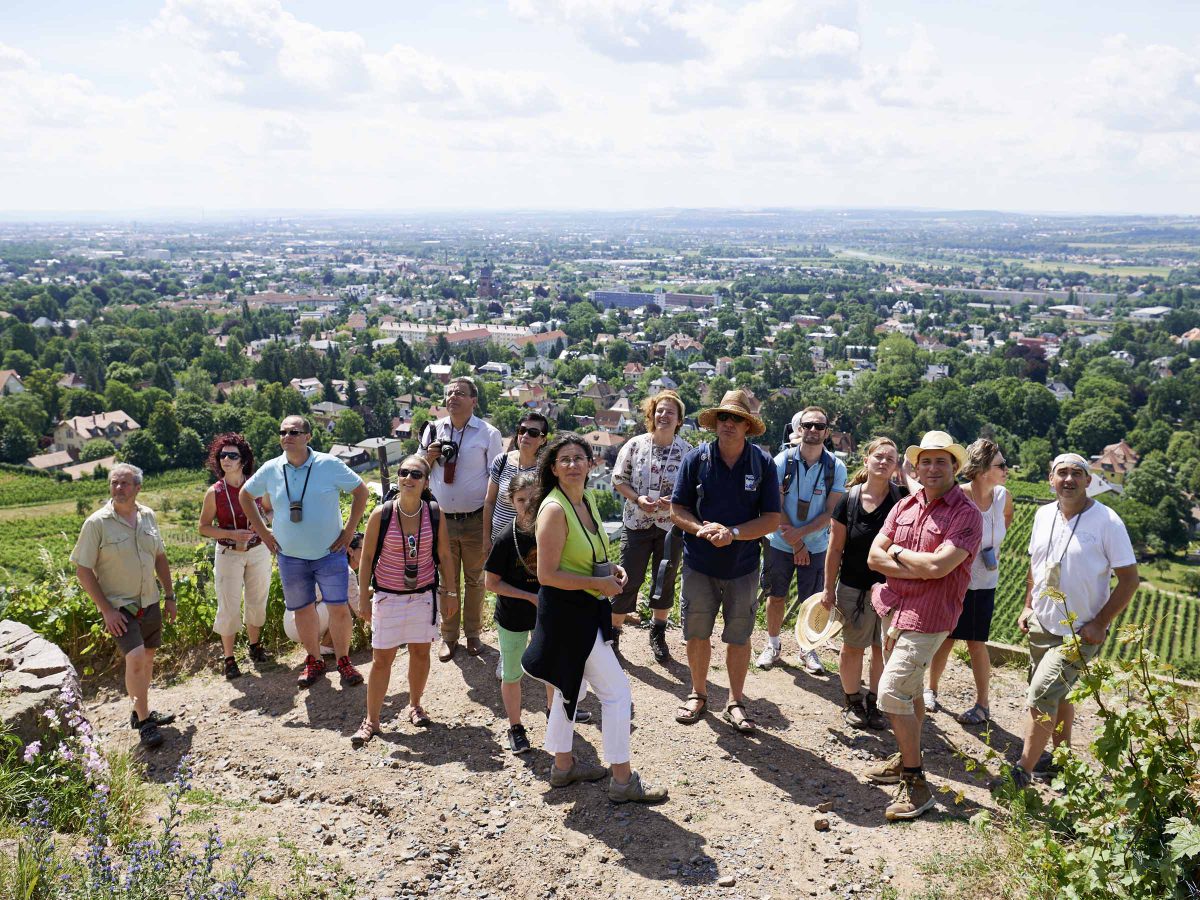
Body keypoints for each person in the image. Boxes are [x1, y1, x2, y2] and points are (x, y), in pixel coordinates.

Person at [522, 434, 668, 803]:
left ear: (591, 464)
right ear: (553, 469)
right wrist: (597, 583)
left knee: (570, 689)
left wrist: (611, 570)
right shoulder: (555, 509)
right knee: (617, 694)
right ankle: (622, 779)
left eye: (579, 458)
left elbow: (588, 553)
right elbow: (547, 575)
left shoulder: (584, 499)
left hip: (584, 611)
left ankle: (563, 765)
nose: (573, 464)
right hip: (570, 616)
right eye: (565, 459)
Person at [864, 430, 982, 821]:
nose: (932, 468)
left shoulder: (965, 514)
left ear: (954, 466)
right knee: (911, 690)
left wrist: (898, 555)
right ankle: (905, 757)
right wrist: (914, 562)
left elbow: (939, 568)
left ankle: (916, 783)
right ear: (916, 466)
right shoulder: (906, 506)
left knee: (891, 692)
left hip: (929, 615)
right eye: (926, 461)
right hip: (893, 608)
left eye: (941, 461)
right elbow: (873, 558)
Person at [1006, 453, 1138, 788]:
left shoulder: (1108, 522)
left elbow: (1129, 580)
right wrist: (1026, 606)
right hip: (1042, 622)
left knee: (1041, 694)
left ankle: (1022, 770)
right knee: (1060, 695)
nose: (1068, 479)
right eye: (1061, 473)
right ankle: (1060, 761)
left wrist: (1100, 623)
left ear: (1088, 481)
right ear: (1050, 479)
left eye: (1076, 473)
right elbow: (1036, 565)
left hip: (1081, 631)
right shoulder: (1042, 515)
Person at [670, 390, 781, 735]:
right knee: (696, 633)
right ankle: (698, 694)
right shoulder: (695, 460)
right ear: (715, 423)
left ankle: (735, 700)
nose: (728, 424)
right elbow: (677, 510)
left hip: (743, 567)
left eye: (736, 419)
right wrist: (702, 530)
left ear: (748, 426)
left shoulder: (762, 464)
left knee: (739, 636)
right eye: (723, 418)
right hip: (699, 563)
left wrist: (732, 532)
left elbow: (772, 519)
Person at [240, 415, 370, 689]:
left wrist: (349, 532)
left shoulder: (328, 464)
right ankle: (313, 660)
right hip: (290, 556)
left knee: (338, 608)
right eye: (283, 431)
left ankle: (343, 660)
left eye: (294, 431)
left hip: (329, 553)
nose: (287, 436)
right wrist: (263, 533)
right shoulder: (271, 468)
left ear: (308, 437)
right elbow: (245, 495)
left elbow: (361, 492)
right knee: (302, 611)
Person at [71, 464, 177, 748]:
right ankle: (145, 723)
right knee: (137, 658)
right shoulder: (97, 523)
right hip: (120, 609)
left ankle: (138, 710)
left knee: (148, 660)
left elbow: (160, 558)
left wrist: (169, 596)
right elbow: (83, 570)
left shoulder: (148, 516)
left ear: (138, 487)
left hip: (151, 602)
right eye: (114, 483)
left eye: (125, 483)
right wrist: (106, 610)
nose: (118, 488)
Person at [353, 456, 453, 745]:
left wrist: (450, 592)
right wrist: (363, 598)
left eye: (416, 474)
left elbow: (445, 556)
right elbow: (367, 559)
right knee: (381, 660)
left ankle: (415, 705)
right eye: (403, 472)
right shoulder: (381, 514)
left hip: (423, 596)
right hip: (388, 596)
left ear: (425, 482)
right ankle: (372, 720)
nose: (408, 478)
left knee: (421, 654)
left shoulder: (435, 513)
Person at [926, 439, 1013, 724]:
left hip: (985, 582)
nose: (1006, 469)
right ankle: (931, 690)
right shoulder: (959, 496)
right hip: (955, 581)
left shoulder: (1003, 497)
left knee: (976, 642)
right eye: (1001, 465)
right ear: (983, 469)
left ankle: (982, 705)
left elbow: (1005, 522)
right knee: (946, 640)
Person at [821, 437, 905, 729]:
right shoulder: (849, 499)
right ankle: (853, 700)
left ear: (897, 467)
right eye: (878, 456)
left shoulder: (903, 499)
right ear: (866, 460)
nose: (883, 462)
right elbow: (835, 549)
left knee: (883, 650)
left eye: (890, 459)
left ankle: (876, 702)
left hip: (893, 592)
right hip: (852, 588)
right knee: (852, 648)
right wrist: (828, 589)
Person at [419, 376, 504, 661]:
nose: (453, 396)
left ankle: (474, 634)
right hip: (441, 519)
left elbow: (497, 476)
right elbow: (417, 470)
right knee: (447, 580)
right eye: (450, 392)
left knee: (475, 580)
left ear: (473, 400)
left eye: (460, 393)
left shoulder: (488, 433)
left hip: (476, 519)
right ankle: (449, 636)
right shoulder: (432, 429)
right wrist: (429, 458)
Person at [758, 407, 846, 675]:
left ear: (827, 432)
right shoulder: (781, 461)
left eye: (819, 426)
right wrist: (797, 543)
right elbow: (775, 506)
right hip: (781, 541)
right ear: (799, 429)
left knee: (814, 600)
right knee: (776, 595)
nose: (813, 431)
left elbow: (830, 511)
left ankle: (808, 648)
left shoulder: (836, 467)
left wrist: (803, 538)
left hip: (817, 545)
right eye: (808, 425)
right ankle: (773, 645)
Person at [611, 390, 691, 662]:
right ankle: (613, 633)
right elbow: (618, 479)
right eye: (659, 410)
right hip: (637, 522)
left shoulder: (687, 452)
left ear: (679, 419)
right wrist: (636, 498)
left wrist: (676, 501)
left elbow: (693, 491)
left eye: (670, 412)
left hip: (670, 526)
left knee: (665, 577)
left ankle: (657, 633)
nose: (664, 415)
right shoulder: (635, 445)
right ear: (651, 414)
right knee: (626, 577)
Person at [484, 472, 561, 754]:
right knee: (512, 673)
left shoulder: (552, 528)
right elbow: (490, 583)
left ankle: (555, 716)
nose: (528, 504)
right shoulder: (506, 538)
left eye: (533, 498)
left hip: (546, 614)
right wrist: (529, 596)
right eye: (521, 500)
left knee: (551, 670)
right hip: (514, 617)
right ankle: (515, 727)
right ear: (511, 502)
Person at [198, 433, 273, 680]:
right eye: (222, 455)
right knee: (228, 604)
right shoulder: (214, 492)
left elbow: (271, 512)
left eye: (232, 455)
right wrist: (230, 533)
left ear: (243, 460)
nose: (226, 460)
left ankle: (255, 646)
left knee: (257, 599)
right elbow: (204, 527)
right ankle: (229, 658)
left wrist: (261, 521)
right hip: (228, 553)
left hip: (258, 550)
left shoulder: (256, 486)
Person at [483, 412, 549, 546]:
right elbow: (489, 502)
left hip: (530, 544)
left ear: (543, 440)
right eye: (522, 430)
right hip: (498, 541)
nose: (525, 435)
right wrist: (486, 539)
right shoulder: (502, 461)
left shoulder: (546, 470)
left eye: (533, 432)